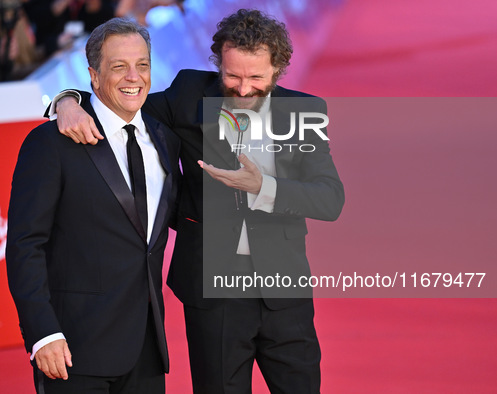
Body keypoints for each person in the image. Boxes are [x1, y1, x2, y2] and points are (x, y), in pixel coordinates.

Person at [48, 9, 344, 393]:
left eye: (256, 78)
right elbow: (120, 104)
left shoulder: (304, 112)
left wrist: (264, 186)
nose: (242, 89)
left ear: (279, 69)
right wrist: (68, 101)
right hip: (213, 296)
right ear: (218, 61)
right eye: (232, 75)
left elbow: (330, 199)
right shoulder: (189, 94)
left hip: (283, 295)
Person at [6, 17, 180, 394]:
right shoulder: (52, 143)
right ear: (94, 76)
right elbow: (24, 245)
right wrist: (42, 333)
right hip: (73, 348)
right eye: (118, 66)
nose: (133, 77)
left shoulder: (164, 135)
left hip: (147, 349)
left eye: (142, 65)